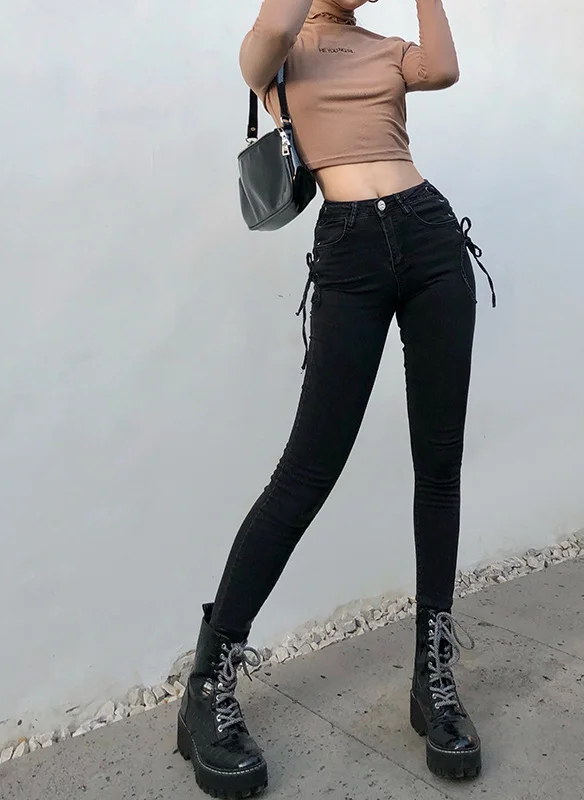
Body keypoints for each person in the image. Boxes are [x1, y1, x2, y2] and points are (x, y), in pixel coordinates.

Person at [177, 1, 495, 796]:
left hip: (432, 240)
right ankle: (208, 683)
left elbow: (444, 66)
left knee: (440, 466)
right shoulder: (279, 53)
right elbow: (271, 31)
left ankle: (432, 678)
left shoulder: (387, 48)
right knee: (306, 472)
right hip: (350, 254)